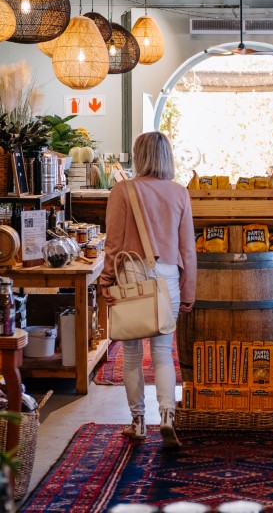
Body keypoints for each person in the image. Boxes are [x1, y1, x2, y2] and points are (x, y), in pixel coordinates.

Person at [99, 131, 197, 449]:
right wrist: (189, 289)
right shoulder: (180, 193)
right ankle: (167, 415)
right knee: (163, 353)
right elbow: (188, 250)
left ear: (139, 156)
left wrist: (106, 279)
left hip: (131, 275)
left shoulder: (123, 190)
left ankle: (138, 421)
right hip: (168, 277)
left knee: (131, 354)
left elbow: (113, 242)